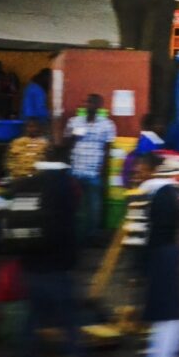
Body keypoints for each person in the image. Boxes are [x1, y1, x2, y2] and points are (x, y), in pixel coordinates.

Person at [13, 145, 80, 357]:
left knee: (33, 317)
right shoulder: (65, 187)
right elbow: (69, 227)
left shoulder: (28, 183)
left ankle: (27, 356)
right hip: (56, 265)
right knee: (67, 321)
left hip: (31, 263)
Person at [138, 152, 179, 357]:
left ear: (151, 170)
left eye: (141, 169)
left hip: (163, 257)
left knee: (166, 316)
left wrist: (143, 266)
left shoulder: (159, 195)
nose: (138, 173)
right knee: (170, 314)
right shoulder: (168, 192)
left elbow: (154, 234)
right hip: (168, 256)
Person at [64, 93, 116, 244]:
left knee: (94, 206)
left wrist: (104, 171)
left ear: (99, 106)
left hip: (94, 172)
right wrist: (72, 137)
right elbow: (66, 145)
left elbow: (107, 149)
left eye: (91, 102)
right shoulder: (74, 122)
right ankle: (75, 236)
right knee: (75, 205)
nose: (87, 105)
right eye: (86, 102)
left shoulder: (107, 125)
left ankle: (91, 236)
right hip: (75, 170)